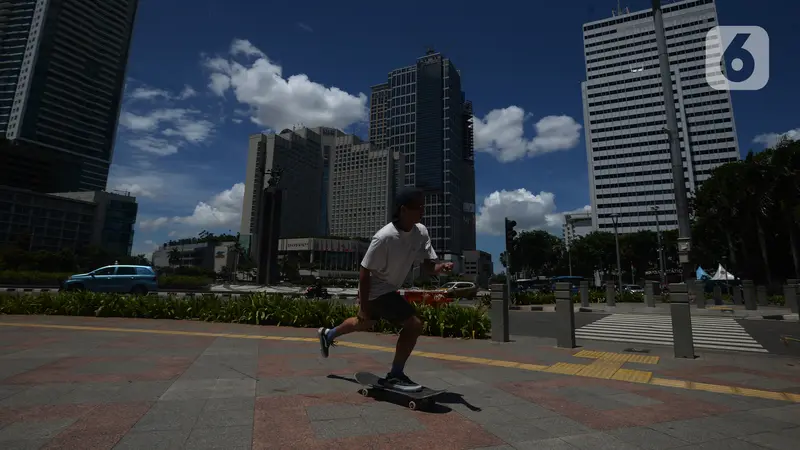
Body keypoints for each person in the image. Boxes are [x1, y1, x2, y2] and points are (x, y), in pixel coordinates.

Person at [317, 187, 453, 392]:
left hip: (388, 288)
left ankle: (328, 335)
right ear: (404, 210)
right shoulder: (384, 237)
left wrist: (440, 268)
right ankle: (395, 375)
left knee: (365, 323)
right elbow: (364, 271)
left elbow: (427, 266)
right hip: (375, 287)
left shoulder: (421, 232)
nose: (422, 210)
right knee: (414, 324)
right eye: (418, 207)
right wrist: (363, 304)